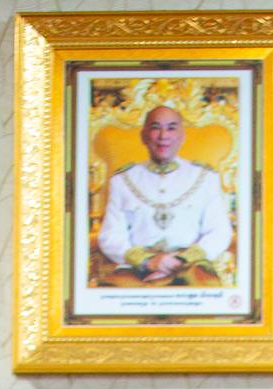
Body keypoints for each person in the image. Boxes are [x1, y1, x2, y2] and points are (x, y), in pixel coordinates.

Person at [97, 104, 232, 282]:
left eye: (171, 128)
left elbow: (219, 232)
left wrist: (181, 260)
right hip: (136, 270)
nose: (163, 136)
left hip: (191, 268)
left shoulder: (205, 177)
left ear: (182, 136)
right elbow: (110, 236)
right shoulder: (122, 180)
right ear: (144, 136)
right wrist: (147, 261)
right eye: (155, 128)